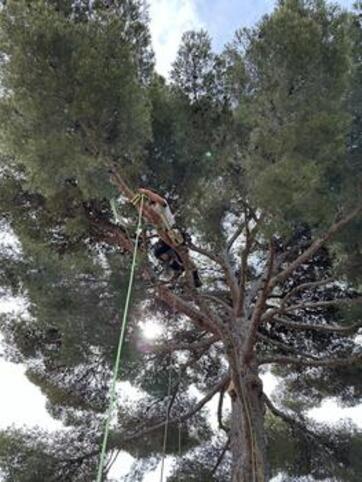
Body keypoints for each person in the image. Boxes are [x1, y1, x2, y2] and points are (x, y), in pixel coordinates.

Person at [132, 187, 202, 287]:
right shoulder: (150, 209)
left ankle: (195, 277)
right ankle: (178, 268)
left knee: (183, 255)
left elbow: (158, 200)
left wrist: (146, 192)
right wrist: (137, 203)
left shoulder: (162, 203)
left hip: (173, 231)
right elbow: (144, 213)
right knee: (158, 252)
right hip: (164, 235)